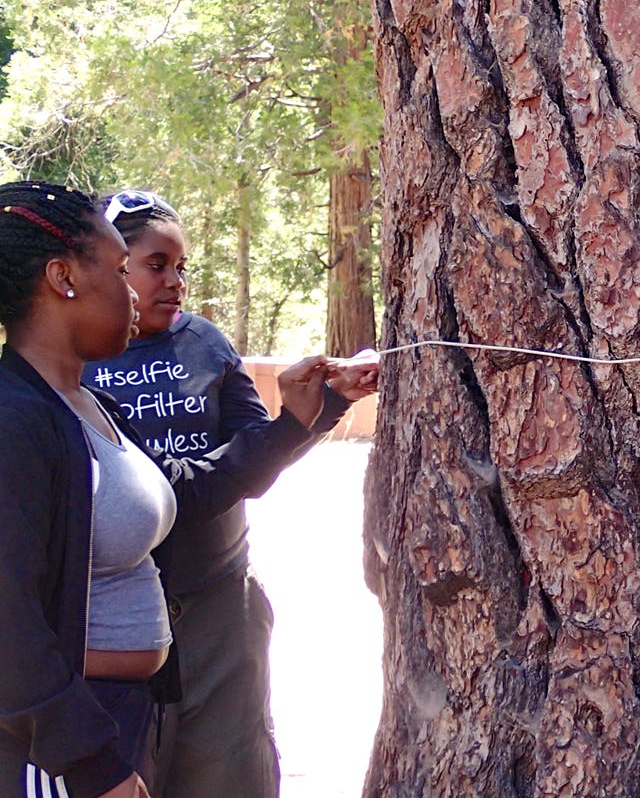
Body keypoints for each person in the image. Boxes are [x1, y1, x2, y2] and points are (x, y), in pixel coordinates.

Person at [0, 182, 375, 798]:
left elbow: (191, 493)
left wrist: (309, 414)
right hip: (67, 743)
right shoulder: (19, 421)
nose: (137, 291)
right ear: (63, 278)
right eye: (126, 270)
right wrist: (93, 763)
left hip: (131, 708)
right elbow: (11, 625)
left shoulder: (90, 407)